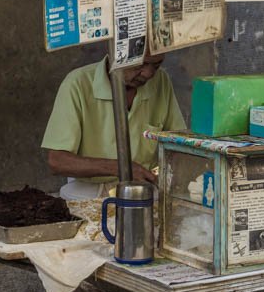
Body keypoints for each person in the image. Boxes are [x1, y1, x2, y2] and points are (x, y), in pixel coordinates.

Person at [42, 51, 186, 200]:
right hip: (91, 192)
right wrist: (122, 168)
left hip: (144, 189)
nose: (148, 73)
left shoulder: (160, 81)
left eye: (156, 65)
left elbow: (179, 142)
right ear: (115, 53)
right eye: (141, 64)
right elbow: (57, 161)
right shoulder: (77, 84)